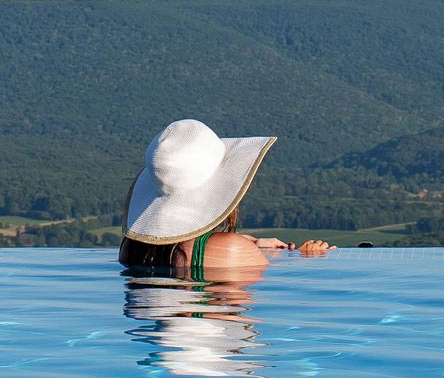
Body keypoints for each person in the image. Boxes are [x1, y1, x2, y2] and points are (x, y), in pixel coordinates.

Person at [117, 117, 334, 279]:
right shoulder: (233, 249)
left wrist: (256, 242)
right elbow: (244, 308)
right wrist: (305, 258)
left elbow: (186, 241)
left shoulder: (132, 247)